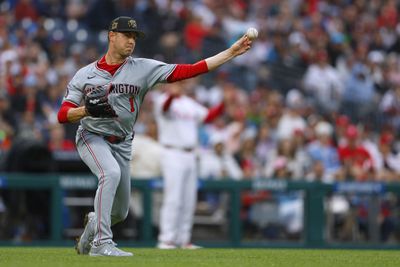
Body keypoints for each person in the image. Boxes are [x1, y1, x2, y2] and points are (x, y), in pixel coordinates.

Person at [57, 16, 253, 256]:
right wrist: (85, 110)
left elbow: (190, 70)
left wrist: (230, 52)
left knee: (119, 212)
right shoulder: (84, 74)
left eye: (134, 37)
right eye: (126, 35)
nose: (131, 41)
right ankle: (101, 243)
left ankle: (92, 229)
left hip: (123, 142)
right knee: (110, 173)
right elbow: (63, 114)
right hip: (91, 136)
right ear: (111, 36)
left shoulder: (143, 68)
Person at [153, 81, 227, 249]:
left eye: (181, 82)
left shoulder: (189, 103)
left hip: (191, 154)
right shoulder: (163, 99)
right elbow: (165, 108)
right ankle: (166, 239)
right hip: (172, 152)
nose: (180, 85)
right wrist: (171, 94)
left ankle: (183, 239)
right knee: (174, 198)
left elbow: (208, 117)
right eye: (176, 82)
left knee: (189, 200)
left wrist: (223, 104)